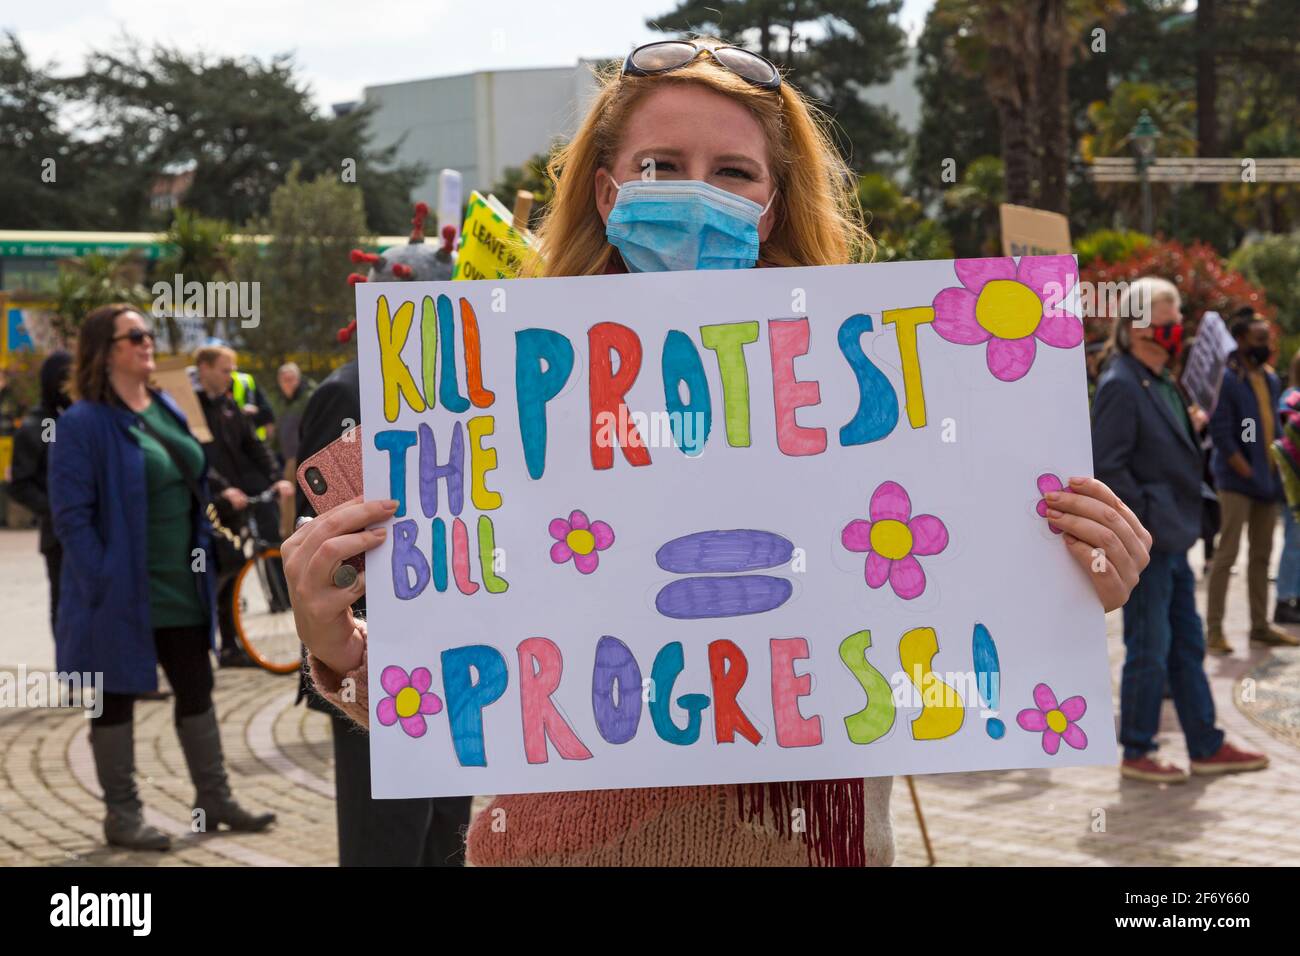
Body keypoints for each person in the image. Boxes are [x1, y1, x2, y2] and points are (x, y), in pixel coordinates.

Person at [284, 38, 1153, 866]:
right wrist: (341, 648)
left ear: (769, 205)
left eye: (732, 172)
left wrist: (1066, 590)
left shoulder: (869, 394)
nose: (696, 194)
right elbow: (457, 692)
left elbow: (944, 658)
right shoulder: (500, 395)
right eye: (660, 167)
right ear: (605, 192)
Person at [48, 304, 275, 850]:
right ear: (106, 351)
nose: (148, 343)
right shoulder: (82, 423)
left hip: (180, 579)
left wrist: (221, 494)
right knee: (116, 695)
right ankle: (122, 816)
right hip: (119, 587)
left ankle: (214, 799)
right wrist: (101, 576)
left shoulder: (166, 406)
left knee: (196, 686)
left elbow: (193, 472)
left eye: (148, 334)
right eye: (136, 336)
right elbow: (69, 516)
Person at [1093, 277, 1269, 783]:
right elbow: (1109, 468)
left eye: (1176, 323)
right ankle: (1139, 749)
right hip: (1150, 544)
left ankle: (1204, 742)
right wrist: (1149, 518)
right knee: (1148, 646)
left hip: (1172, 540)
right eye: (1166, 324)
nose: (1175, 333)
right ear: (1137, 328)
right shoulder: (1122, 384)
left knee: (1185, 644)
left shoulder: (1161, 379)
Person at [193, 345, 294, 667]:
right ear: (204, 368)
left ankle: (231, 646)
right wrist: (222, 489)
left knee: (234, 567)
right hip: (209, 501)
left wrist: (276, 478)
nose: (230, 376)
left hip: (237, 497)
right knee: (218, 571)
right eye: (225, 370)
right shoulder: (191, 408)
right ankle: (212, 643)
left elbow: (253, 444)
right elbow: (195, 457)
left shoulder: (228, 404)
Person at [1204, 309, 1298, 652]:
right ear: (1240, 340)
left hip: (1268, 479)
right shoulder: (1227, 379)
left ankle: (1260, 626)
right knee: (1227, 556)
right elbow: (1222, 432)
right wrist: (1244, 467)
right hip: (1237, 483)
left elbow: (1270, 423)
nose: (1266, 345)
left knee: (1262, 556)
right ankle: (1214, 631)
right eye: (1260, 339)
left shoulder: (1270, 379)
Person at [8, 350, 72, 633]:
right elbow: (21, 483)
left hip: (96, 530)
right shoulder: (42, 425)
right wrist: (57, 509)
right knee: (64, 604)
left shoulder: (83, 417)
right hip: (59, 536)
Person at [268, 361, 316, 539]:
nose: (288, 383)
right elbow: (280, 431)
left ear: (298, 379)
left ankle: (299, 536)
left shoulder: (310, 396)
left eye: (291, 379)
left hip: (307, 456)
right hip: (288, 458)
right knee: (287, 498)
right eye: (284, 380)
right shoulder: (281, 401)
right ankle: (288, 537)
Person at [1271, 350, 1300, 624]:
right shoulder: (1293, 397)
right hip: (1294, 482)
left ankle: (1295, 594)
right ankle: (1284, 598)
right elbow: (1288, 434)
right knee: (1294, 541)